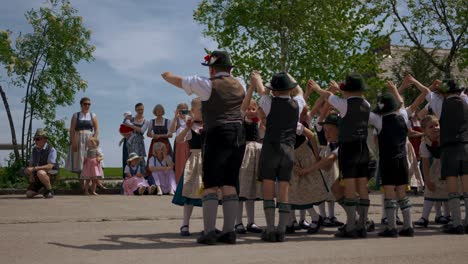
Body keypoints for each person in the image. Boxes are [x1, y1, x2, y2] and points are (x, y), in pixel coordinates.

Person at [162, 50, 246, 245]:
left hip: (218, 133)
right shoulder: (239, 83)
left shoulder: (208, 84)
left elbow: (177, 80)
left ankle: (209, 231)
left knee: (211, 184)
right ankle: (229, 232)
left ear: (212, 68)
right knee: (229, 183)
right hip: (238, 134)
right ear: (229, 68)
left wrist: (165, 75)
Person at [309, 74, 371, 238]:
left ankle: (351, 226)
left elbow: (328, 96)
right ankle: (362, 225)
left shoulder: (344, 104)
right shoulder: (367, 104)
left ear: (348, 91)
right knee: (362, 186)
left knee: (349, 186)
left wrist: (316, 88)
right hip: (363, 147)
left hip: (349, 148)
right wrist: (339, 90)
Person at [253, 71, 303, 242]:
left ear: (274, 90)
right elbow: (300, 92)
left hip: (271, 146)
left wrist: (261, 82)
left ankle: (270, 227)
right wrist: (291, 77)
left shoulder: (268, 101)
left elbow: (263, 93)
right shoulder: (297, 103)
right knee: (284, 188)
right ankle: (281, 229)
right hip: (288, 148)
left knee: (268, 186)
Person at [426, 79, 468, 234]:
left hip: (449, 148)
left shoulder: (440, 104)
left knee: (452, 185)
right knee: (466, 185)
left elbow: (428, 94)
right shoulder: (466, 102)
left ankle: (456, 223)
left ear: (444, 93)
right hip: (466, 145)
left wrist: (435, 89)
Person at [172, 98, 205, 236]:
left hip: (208, 160)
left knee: (208, 195)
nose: (204, 112)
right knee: (189, 193)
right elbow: (178, 140)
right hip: (195, 159)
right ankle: (185, 224)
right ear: (192, 111)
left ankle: (209, 225)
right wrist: (186, 127)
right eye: (201, 110)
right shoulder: (190, 126)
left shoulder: (209, 125)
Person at [235, 74, 264, 234]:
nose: (252, 111)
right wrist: (253, 87)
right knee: (243, 189)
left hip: (257, 153)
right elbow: (249, 111)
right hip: (245, 152)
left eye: (254, 108)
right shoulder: (243, 118)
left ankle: (251, 222)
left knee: (252, 189)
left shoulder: (258, 122)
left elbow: (262, 112)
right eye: (249, 108)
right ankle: (238, 222)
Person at [414, 115, 451, 227]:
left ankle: (448, 215)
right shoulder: (424, 144)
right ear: (424, 131)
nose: (435, 128)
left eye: (437, 125)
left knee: (448, 192)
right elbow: (425, 164)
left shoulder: (446, 139)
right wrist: (427, 180)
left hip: (447, 168)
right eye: (431, 127)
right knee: (430, 191)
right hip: (434, 170)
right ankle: (424, 217)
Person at [65, 97, 99, 191]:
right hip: (78, 138)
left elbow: (96, 130)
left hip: (89, 140)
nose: (87, 106)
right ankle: (83, 186)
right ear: (81, 104)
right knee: (79, 162)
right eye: (85, 104)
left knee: (92, 161)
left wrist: (94, 142)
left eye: (89, 104)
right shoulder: (76, 115)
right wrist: (73, 142)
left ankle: (93, 185)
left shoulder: (93, 115)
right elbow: (72, 130)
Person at [24, 128, 57, 199]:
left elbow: (50, 166)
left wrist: (35, 169)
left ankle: (49, 190)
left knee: (40, 172)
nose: (35, 141)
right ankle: (42, 189)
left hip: (52, 172)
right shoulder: (34, 150)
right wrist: (31, 174)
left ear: (45, 139)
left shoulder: (52, 149)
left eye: (38, 139)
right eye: (35, 139)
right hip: (38, 174)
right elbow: (31, 164)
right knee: (28, 194)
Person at [147, 104, 173, 176]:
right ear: (155, 111)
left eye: (160, 110)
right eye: (157, 110)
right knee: (154, 159)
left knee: (167, 158)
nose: (159, 111)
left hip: (165, 143)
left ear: (163, 111)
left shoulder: (167, 121)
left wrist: (159, 135)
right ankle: (153, 178)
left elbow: (170, 135)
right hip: (155, 143)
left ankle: (168, 176)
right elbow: (148, 134)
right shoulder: (151, 121)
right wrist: (153, 135)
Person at [169, 103, 191, 184]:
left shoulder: (190, 118)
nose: (183, 111)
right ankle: (179, 182)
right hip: (179, 143)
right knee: (180, 163)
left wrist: (187, 118)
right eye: (181, 109)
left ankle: (189, 182)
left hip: (189, 142)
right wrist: (175, 117)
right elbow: (171, 131)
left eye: (185, 109)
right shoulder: (176, 119)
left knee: (189, 162)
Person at [124, 103, 148, 170]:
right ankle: (131, 175)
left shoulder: (146, 121)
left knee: (140, 158)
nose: (140, 111)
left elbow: (142, 131)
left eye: (142, 109)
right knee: (132, 158)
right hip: (131, 141)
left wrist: (131, 126)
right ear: (135, 110)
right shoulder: (131, 119)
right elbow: (123, 127)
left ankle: (142, 176)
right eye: (138, 110)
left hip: (139, 141)